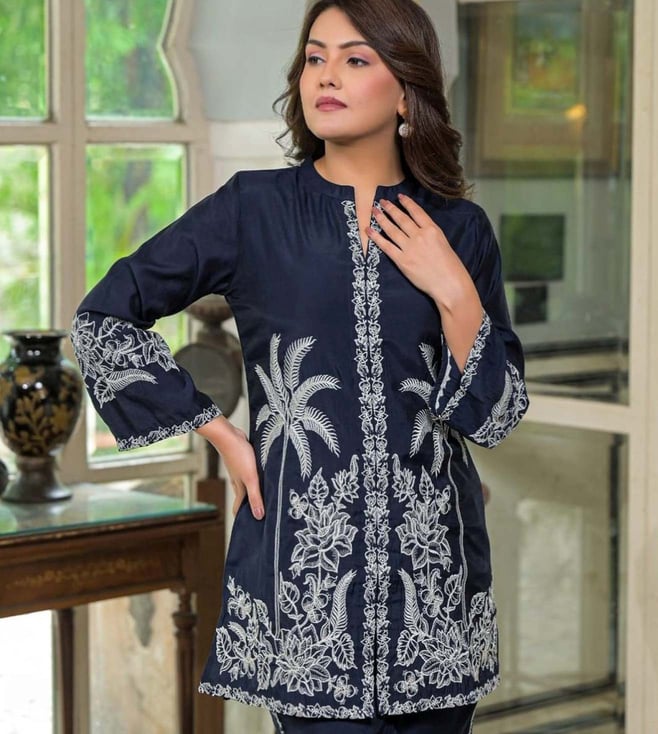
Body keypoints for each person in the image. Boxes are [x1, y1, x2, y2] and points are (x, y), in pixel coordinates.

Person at [70, 0, 529, 731]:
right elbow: (103, 318)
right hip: (305, 592)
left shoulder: (458, 227)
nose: (326, 75)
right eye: (316, 57)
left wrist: (453, 290)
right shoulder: (254, 210)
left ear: (406, 91)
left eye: (356, 59)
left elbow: (497, 415)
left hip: (437, 597)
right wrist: (220, 432)